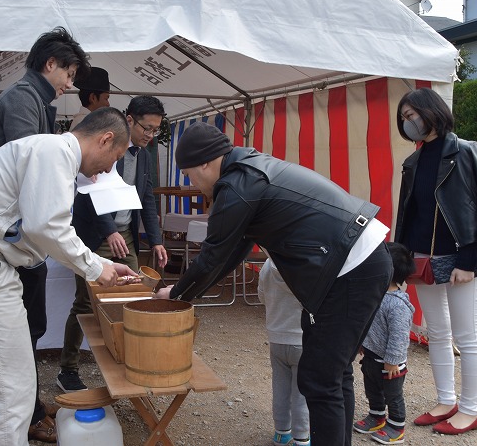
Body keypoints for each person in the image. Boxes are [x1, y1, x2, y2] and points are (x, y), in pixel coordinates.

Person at [155, 121, 393, 446]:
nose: (191, 183)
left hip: (351, 265)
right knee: (332, 374)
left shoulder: (238, 184)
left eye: (189, 174)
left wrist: (177, 293)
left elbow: (213, 256)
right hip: (358, 258)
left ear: (205, 164)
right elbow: (233, 250)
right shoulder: (248, 170)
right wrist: (187, 291)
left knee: (320, 378)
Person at [0, 108, 138, 446]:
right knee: (10, 389)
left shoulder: (47, 151)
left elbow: (42, 225)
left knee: (14, 383)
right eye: (113, 158)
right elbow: (46, 226)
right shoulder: (55, 152)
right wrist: (95, 268)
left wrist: (99, 261)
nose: (107, 170)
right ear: (105, 139)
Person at [0, 27, 89, 442]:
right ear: (51, 64)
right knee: (23, 330)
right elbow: (33, 164)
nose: (71, 83)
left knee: (32, 324)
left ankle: (27, 406)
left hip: (20, 236)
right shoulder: (22, 98)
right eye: (69, 72)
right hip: (9, 235)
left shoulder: (37, 100)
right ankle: (22, 417)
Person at [394, 87, 477, 435]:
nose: (409, 122)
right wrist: (402, 258)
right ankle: (446, 400)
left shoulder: (466, 151)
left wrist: (471, 260)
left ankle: (470, 410)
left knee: (466, 337)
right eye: (405, 118)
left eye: (412, 115)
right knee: (437, 333)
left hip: (460, 259)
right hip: (423, 258)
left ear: (431, 111)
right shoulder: (413, 161)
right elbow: (407, 215)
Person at [57, 95, 169, 391]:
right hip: (95, 236)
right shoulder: (103, 144)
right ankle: (67, 368)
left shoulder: (145, 153)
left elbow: (147, 198)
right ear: (129, 120)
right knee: (85, 302)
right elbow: (88, 189)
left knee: (133, 296)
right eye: (147, 128)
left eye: (156, 130)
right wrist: (108, 230)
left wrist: (155, 240)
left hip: (127, 236)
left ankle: (125, 359)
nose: (150, 135)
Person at [353, 242, 415, 444]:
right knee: (372, 389)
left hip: (391, 364)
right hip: (371, 356)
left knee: (393, 396)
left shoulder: (397, 305)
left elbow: (399, 337)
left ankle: (397, 426)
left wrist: (393, 361)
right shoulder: (376, 293)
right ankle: (377, 415)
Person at [257, 259, 310, 446]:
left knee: (280, 388)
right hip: (302, 339)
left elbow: (261, 296)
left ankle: (281, 432)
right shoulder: (306, 264)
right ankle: (302, 437)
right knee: (301, 393)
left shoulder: (267, 264)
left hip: (276, 337)